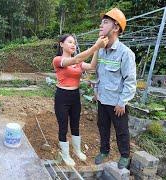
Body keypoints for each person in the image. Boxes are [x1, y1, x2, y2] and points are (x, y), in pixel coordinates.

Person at [52, 34, 108, 166]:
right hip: (62, 97)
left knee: (75, 124)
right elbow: (76, 59)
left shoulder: (79, 63)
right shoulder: (58, 60)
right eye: (70, 42)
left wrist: (98, 50)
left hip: (75, 97)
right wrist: (96, 46)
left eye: (74, 43)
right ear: (61, 44)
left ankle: (77, 150)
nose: (73, 45)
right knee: (63, 126)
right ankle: (65, 155)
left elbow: (92, 67)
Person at [94, 8, 136, 169]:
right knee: (102, 127)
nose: (101, 25)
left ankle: (124, 155)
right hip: (102, 99)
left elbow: (130, 81)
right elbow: (99, 73)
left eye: (105, 22)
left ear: (116, 28)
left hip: (117, 103)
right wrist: (96, 91)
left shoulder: (125, 53)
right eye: (101, 22)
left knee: (121, 130)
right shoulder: (101, 51)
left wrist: (122, 102)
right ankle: (104, 151)